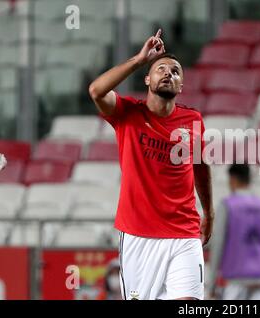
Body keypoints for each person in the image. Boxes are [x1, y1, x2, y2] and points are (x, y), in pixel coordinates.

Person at [88, 29, 214, 300]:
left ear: (181, 86)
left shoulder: (193, 120)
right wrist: (139, 59)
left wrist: (210, 212)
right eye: (161, 69)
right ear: (147, 78)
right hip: (138, 237)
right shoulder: (127, 113)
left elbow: (201, 167)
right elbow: (96, 90)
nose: (169, 73)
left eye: (176, 71)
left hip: (184, 233)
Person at [208, 164, 260, 300]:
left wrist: (211, 284)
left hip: (235, 279)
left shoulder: (227, 206)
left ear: (232, 180)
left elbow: (218, 245)